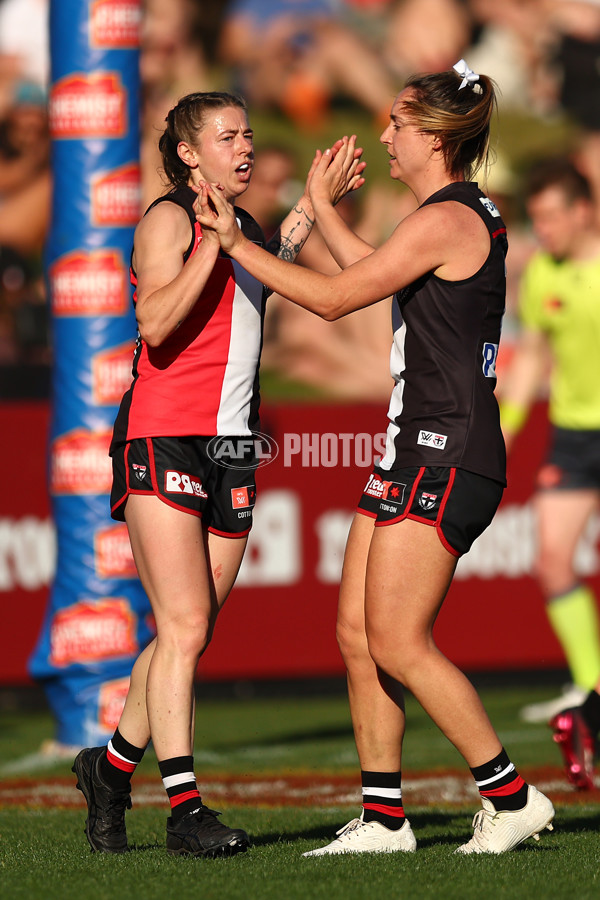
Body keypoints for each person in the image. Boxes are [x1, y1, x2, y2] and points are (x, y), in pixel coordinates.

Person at [198, 61, 555, 854]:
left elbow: (333, 299)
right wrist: (323, 209)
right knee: (357, 635)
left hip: (446, 448)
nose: (386, 136)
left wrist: (235, 244)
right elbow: (362, 272)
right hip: (413, 445)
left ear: (434, 137)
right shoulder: (444, 219)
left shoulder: (449, 217)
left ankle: (511, 794)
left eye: (397, 124)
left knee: (397, 640)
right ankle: (385, 818)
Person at [71, 90, 364, 858]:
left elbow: (270, 273)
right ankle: (185, 811)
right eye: (227, 136)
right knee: (186, 625)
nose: (244, 147)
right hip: (164, 439)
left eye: (249, 135)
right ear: (189, 154)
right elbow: (157, 323)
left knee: (186, 632)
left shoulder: (244, 227)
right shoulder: (169, 219)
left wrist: (307, 206)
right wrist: (215, 241)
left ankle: (107, 774)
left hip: (232, 447)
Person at [500, 159, 600, 726]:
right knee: (552, 558)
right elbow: (533, 354)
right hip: (574, 434)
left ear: (582, 211)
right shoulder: (542, 272)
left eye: (551, 218)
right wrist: (508, 426)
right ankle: (590, 688)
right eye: (535, 220)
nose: (543, 231)